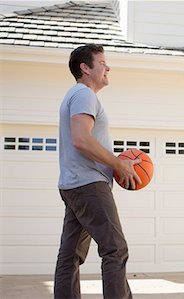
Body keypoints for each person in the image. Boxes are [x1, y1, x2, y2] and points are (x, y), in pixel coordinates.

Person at [54, 44, 141, 299]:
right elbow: (81, 139)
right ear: (85, 68)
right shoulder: (84, 94)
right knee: (115, 249)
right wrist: (118, 163)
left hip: (73, 185)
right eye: (102, 62)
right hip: (89, 185)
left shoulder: (75, 94)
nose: (108, 67)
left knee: (70, 256)